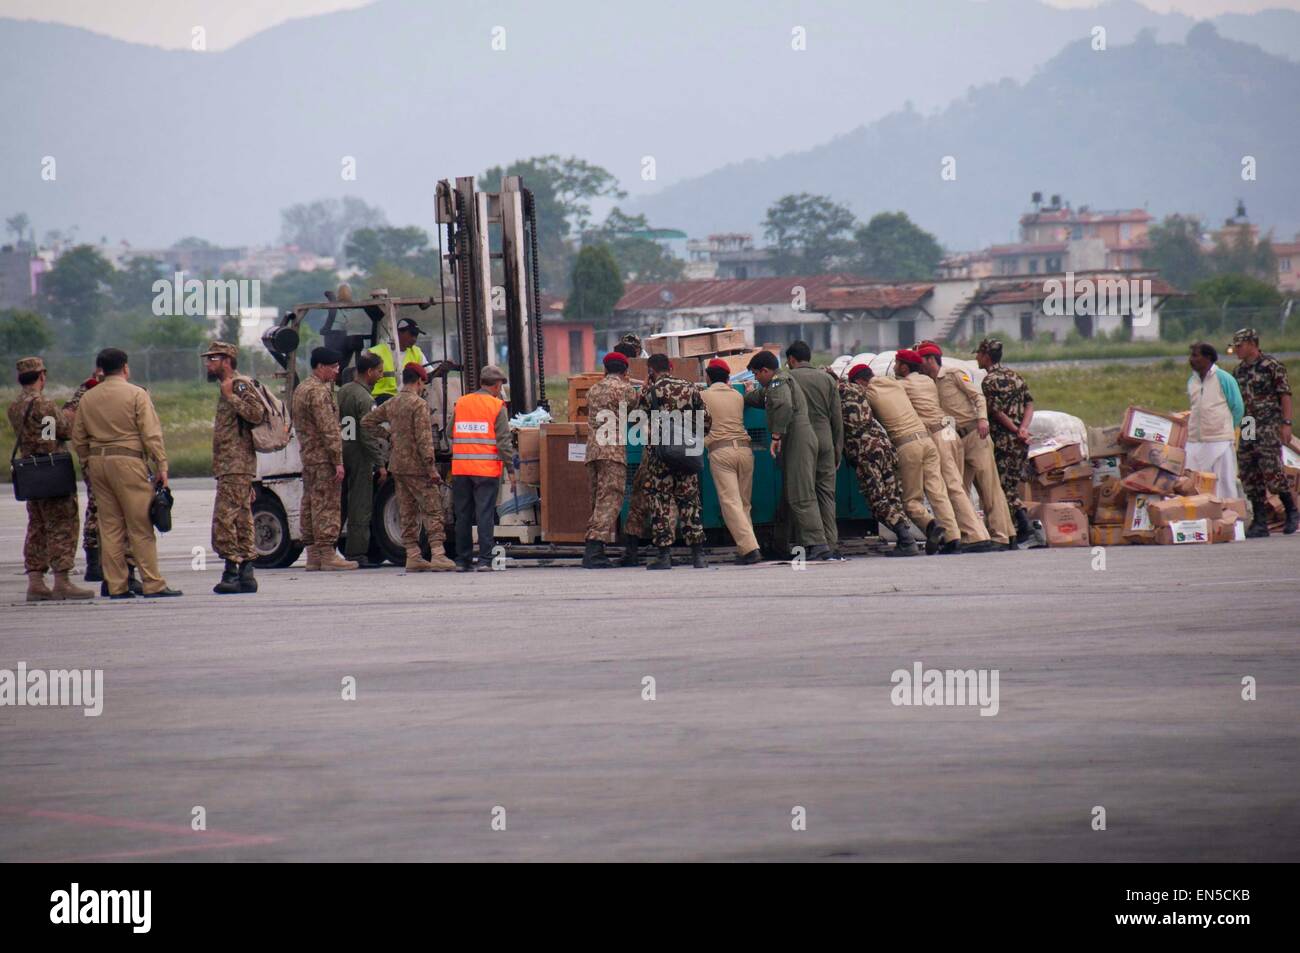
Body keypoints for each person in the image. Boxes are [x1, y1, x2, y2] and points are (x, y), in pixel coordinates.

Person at [70, 348, 181, 597]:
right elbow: (151, 434)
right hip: (129, 461)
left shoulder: (88, 397)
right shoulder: (136, 394)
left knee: (109, 527)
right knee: (140, 525)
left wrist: (89, 459)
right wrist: (161, 465)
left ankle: (116, 585)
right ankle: (153, 583)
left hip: (98, 463)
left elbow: (78, 437)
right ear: (125, 368)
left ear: (100, 369)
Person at [8, 357, 94, 601]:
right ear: (42, 376)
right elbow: (60, 432)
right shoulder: (43, 404)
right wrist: (69, 414)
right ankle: (62, 580)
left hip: (30, 473)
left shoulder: (15, 405)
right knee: (62, 525)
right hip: (51, 470)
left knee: (36, 525)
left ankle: (35, 580)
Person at [896, 349, 993, 553]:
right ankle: (966, 534)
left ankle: (975, 536)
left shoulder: (903, 385)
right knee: (956, 485)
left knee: (952, 486)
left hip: (937, 435)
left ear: (904, 366)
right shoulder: (928, 381)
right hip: (950, 432)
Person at [921, 342, 1016, 550]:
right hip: (955, 436)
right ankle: (974, 535)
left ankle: (1001, 536)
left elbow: (977, 397)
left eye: (922, 359)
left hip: (975, 432)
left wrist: (983, 420)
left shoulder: (953, 373)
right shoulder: (928, 383)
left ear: (930, 359)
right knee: (961, 487)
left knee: (988, 488)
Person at [363, 363, 457, 571]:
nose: (423, 387)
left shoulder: (393, 403)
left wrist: (388, 436)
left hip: (398, 465)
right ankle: (438, 554)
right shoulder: (418, 405)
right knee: (432, 509)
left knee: (407, 511)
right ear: (418, 381)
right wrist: (431, 468)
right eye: (423, 383)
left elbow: (366, 422)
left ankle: (412, 555)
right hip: (418, 467)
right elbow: (424, 440)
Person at [863, 363, 958, 554]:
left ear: (860, 381)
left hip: (907, 445)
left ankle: (930, 525)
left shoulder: (869, 392)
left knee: (910, 500)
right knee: (937, 493)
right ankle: (953, 538)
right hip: (927, 441)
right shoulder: (896, 384)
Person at [744, 350, 829, 560]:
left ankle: (817, 543)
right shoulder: (779, 382)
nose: (756, 379)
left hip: (797, 437)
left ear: (765, 370)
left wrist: (775, 435)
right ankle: (797, 543)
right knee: (792, 492)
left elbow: (783, 404)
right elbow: (762, 398)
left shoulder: (778, 383)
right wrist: (747, 393)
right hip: (798, 437)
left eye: (756, 374)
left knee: (801, 492)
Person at [838, 364, 920, 556]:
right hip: (885, 447)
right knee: (892, 497)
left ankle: (906, 539)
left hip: (866, 452)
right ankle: (905, 540)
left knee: (877, 500)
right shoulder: (865, 392)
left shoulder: (840, 392)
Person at [203, 341, 265, 594]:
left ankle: (231, 571)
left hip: (236, 464)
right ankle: (246, 573)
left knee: (224, 518)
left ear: (226, 360)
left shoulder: (238, 385)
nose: (208, 364)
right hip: (232, 465)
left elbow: (256, 413)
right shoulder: (229, 386)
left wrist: (231, 398)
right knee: (240, 517)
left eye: (212, 359)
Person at [639, 353, 710, 570]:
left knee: (660, 502)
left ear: (651, 370)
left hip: (660, 457)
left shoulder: (650, 391)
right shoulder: (690, 388)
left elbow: (639, 423)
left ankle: (664, 556)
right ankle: (698, 556)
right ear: (670, 367)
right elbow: (706, 422)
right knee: (689, 501)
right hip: (687, 454)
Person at [293, 347, 357, 571]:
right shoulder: (319, 392)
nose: (337, 370)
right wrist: (337, 460)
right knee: (327, 505)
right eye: (333, 366)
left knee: (310, 503)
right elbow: (328, 428)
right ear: (320, 366)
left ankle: (313, 556)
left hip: (308, 456)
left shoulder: (301, 389)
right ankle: (328, 554)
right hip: (323, 459)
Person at [1228, 328, 1297, 536]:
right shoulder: (1238, 371)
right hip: (1248, 422)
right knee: (1249, 468)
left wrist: (1286, 423)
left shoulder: (1271, 366)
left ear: (1251, 344)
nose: (1236, 350)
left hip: (1268, 423)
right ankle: (1259, 520)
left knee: (1271, 467)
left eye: (1239, 346)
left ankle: (1292, 511)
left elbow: (1284, 395)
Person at [450, 364, 515, 571]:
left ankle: (462, 560)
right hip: (486, 471)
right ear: (496, 386)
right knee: (484, 514)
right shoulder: (497, 406)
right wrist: (512, 471)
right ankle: (486, 560)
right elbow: (504, 443)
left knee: (462, 516)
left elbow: (451, 432)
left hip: (461, 469)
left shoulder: (461, 402)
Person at [785, 341, 845, 559]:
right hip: (826, 439)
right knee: (826, 494)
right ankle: (830, 543)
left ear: (791, 359)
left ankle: (813, 543)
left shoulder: (789, 379)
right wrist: (838, 449)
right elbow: (837, 417)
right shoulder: (828, 379)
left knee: (804, 492)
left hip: (802, 440)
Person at [699, 358, 761, 564]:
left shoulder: (702, 396)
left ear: (708, 376)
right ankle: (745, 548)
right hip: (745, 450)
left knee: (730, 503)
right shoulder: (737, 395)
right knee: (744, 504)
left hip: (721, 451)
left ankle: (751, 549)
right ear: (727, 378)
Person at [975, 338, 1035, 544]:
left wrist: (1014, 429)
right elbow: (1029, 404)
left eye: (978, 354)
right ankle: (1018, 527)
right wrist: (1024, 429)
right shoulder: (1016, 377)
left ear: (985, 356)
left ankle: (1020, 525)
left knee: (1001, 487)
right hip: (1020, 441)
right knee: (1011, 484)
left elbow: (996, 412)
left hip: (1003, 440)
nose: (976, 358)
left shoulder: (989, 381)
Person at [582, 351, 638, 568]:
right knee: (610, 500)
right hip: (612, 453)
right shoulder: (625, 389)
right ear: (625, 371)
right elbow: (634, 408)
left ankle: (594, 549)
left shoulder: (593, 390)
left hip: (593, 452)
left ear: (605, 369)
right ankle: (594, 551)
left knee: (597, 500)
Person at [338, 352, 386, 566]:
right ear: (369, 372)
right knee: (360, 504)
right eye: (379, 371)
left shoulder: (342, 392)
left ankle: (327, 546)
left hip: (342, 449)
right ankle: (356, 552)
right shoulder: (365, 398)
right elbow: (367, 434)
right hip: (359, 454)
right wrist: (380, 462)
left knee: (338, 504)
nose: (381, 376)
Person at [1186, 341, 1243, 500]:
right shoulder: (1192, 381)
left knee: (1223, 485)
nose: (1191, 359)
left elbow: (1237, 407)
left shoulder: (1224, 378)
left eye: (1195, 355)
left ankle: (1228, 520)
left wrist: (1225, 429)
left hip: (1220, 441)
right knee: (1194, 485)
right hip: (1195, 442)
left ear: (1208, 358)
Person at [368, 317, 428, 404]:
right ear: (398, 333)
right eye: (411, 334)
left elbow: (428, 375)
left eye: (416, 335)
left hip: (407, 398)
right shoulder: (375, 352)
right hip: (380, 399)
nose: (414, 339)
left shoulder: (417, 352)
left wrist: (439, 371)